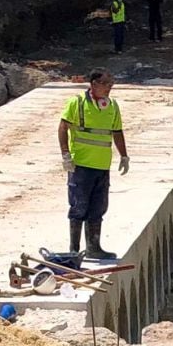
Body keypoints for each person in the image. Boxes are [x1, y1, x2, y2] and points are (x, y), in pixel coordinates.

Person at [58, 69, 129, 261]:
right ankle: (74, 250)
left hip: (102, 165)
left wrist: (124, 156)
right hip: (80, 164)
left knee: (98, 207)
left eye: (111, 85)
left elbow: (117, 131)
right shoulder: (77, 103)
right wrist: (65, 154)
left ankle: (94, 247)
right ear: (94, 84)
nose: (109, 88)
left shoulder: (112, 106)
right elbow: (63, 127)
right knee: (79, 207)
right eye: (106, 84)